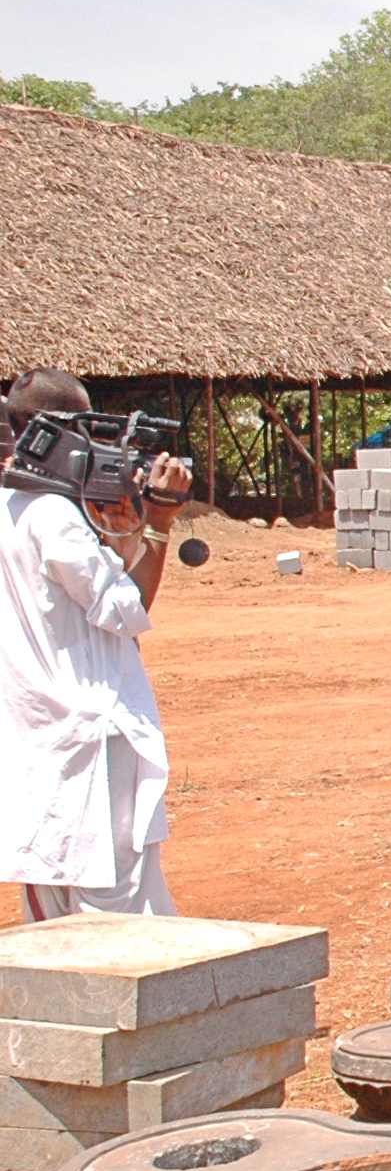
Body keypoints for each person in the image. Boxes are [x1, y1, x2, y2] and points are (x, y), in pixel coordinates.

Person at [1, 370, 192, 918]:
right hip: (93, 736)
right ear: (55, 432)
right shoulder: (55, 516)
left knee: (51, 909)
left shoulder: (12, 508)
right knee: (118, 911)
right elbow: (126, 608)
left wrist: (118, 533)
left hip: (37, 737)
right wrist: (159, 521)